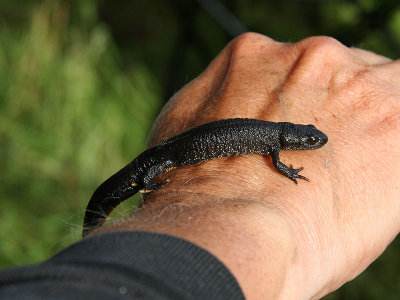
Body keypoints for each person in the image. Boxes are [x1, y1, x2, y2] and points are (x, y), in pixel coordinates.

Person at [1, 33, 399, 299]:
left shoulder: (276, 138)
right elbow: (276, 163)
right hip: (170, 157)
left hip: (180, 152)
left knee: (152, 168)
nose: (312, 142)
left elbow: (272, 155)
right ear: (293, 135)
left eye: (311, 139)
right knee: (143, 176)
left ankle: (95, 227)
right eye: (309, 139)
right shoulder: (276, 143)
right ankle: (97, 220)